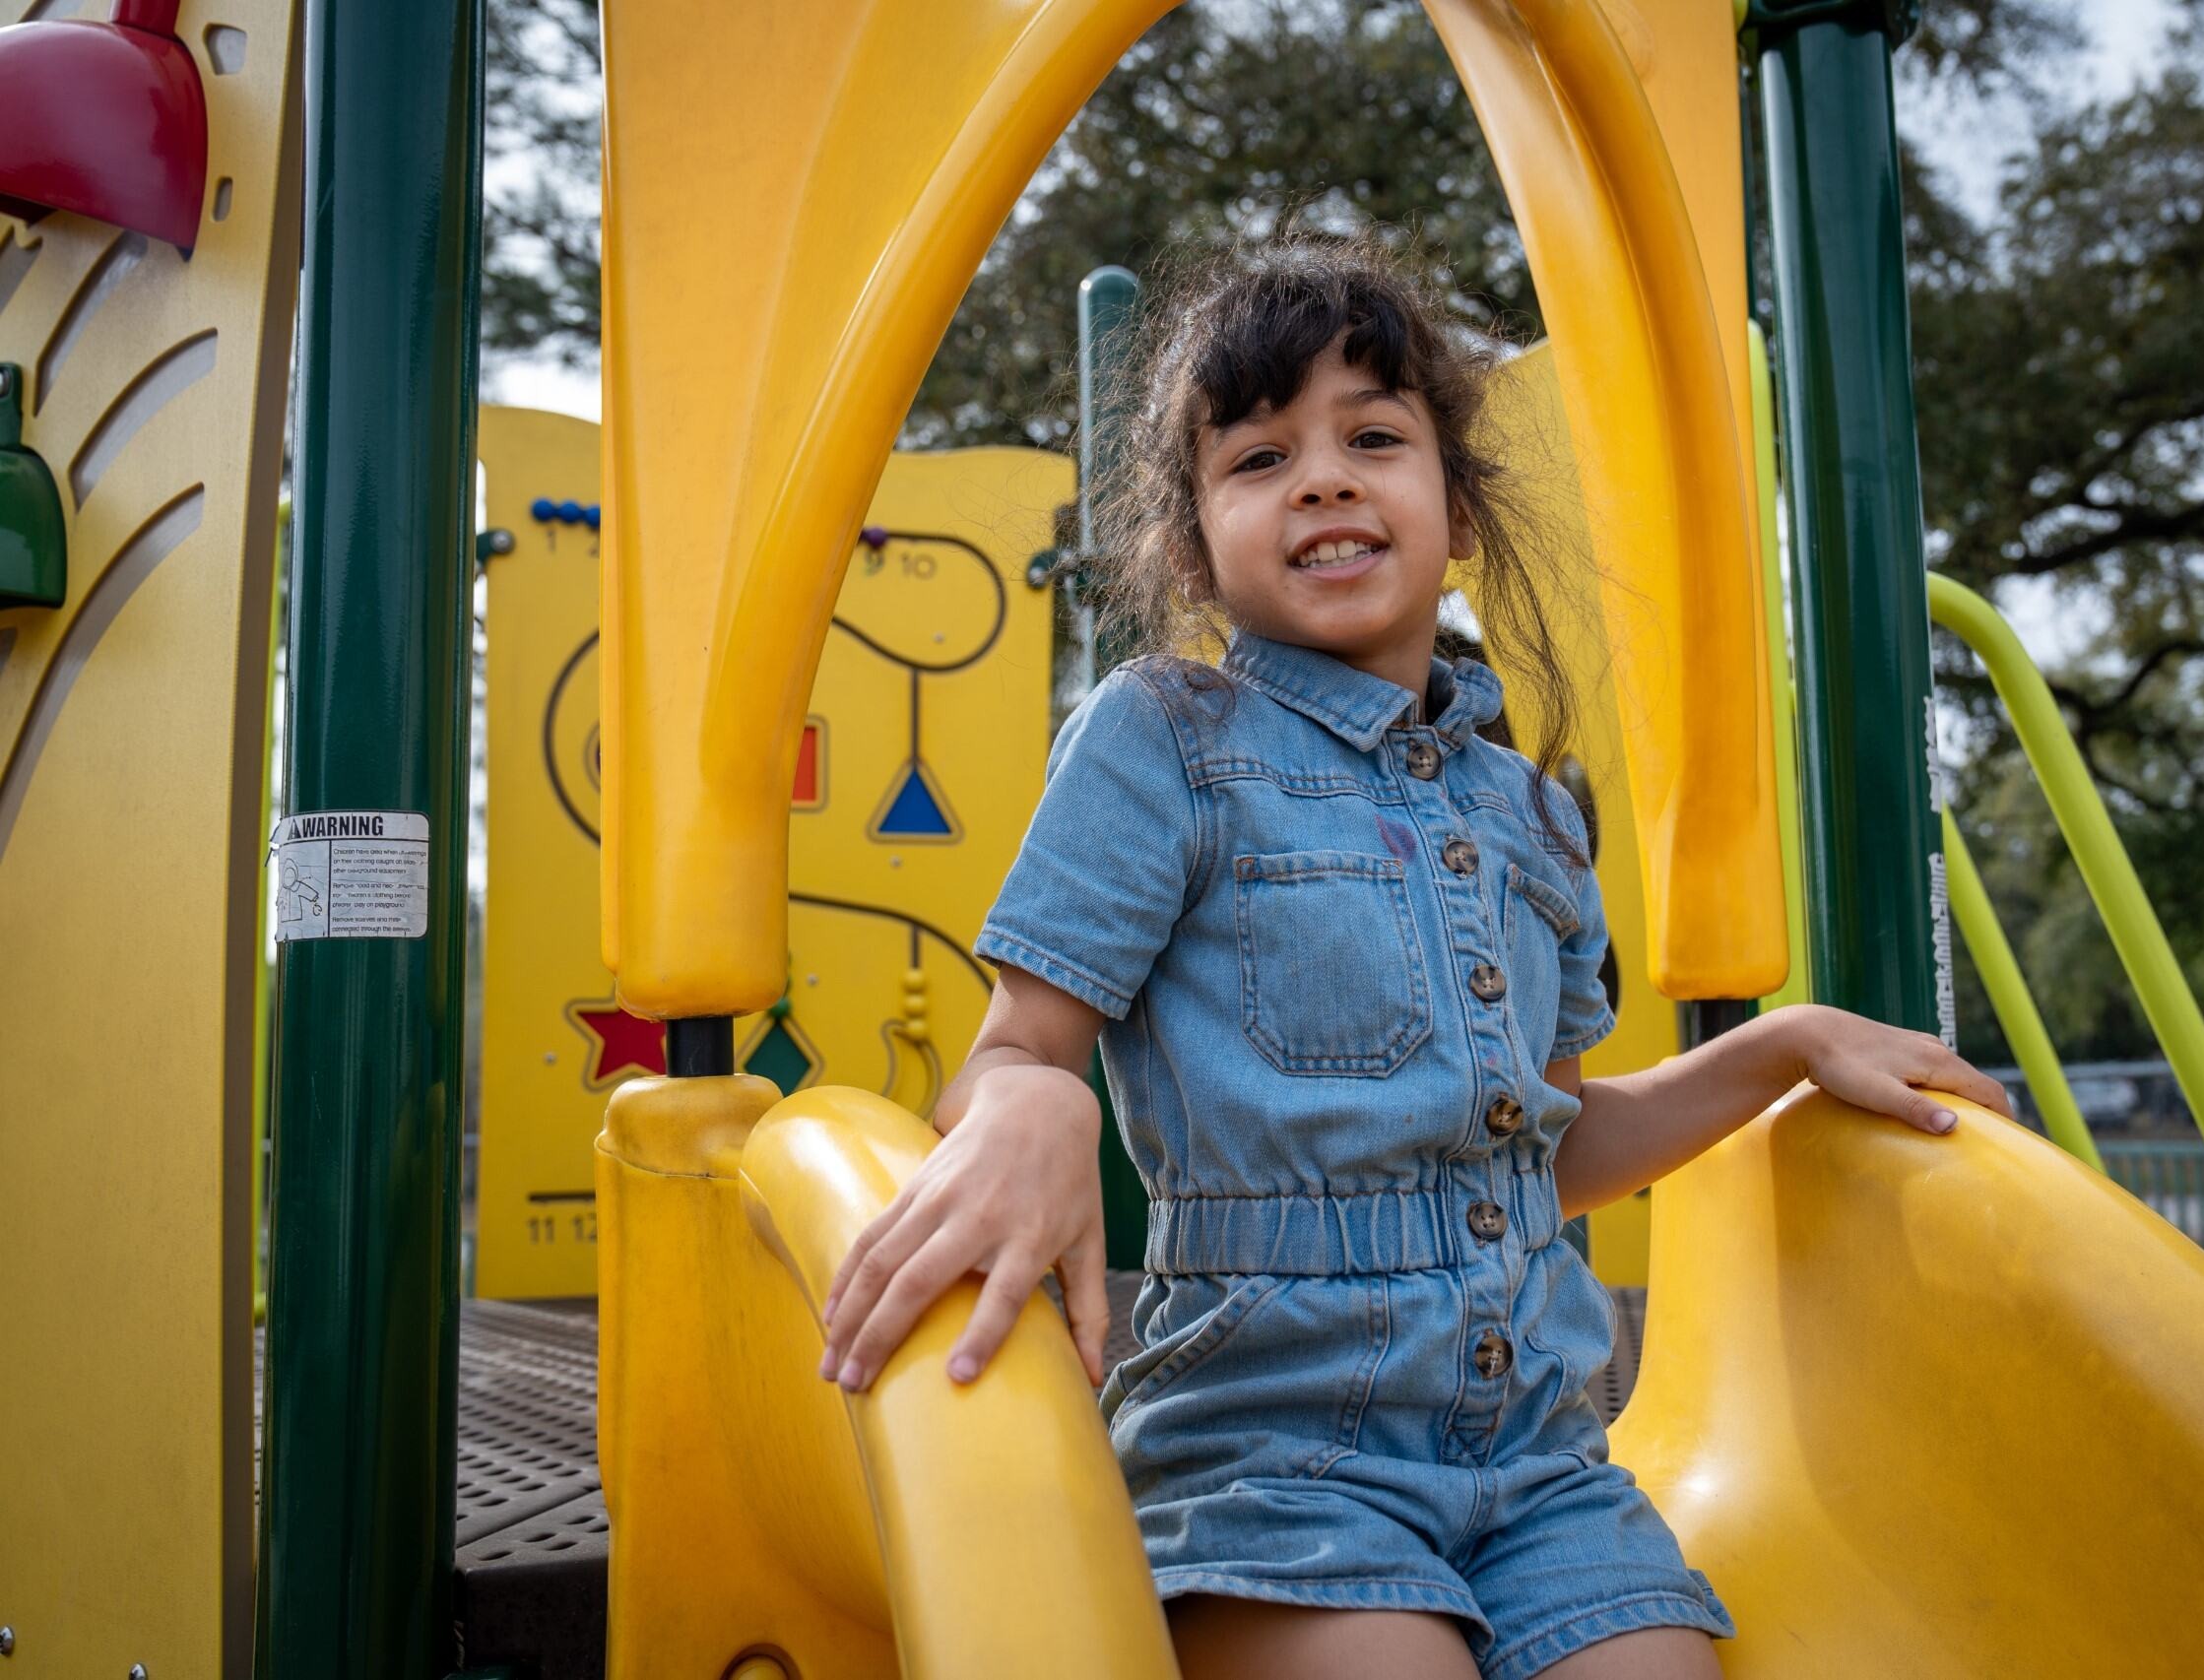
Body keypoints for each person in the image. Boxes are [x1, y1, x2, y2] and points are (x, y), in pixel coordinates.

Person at [818, 230, 2010, 1680]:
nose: (1321, 476)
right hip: (1275, 1453)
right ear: (1196, 544)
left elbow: (1551, 1151)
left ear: (1455, 507)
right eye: (1259, 457)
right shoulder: (1166, 740)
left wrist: (1778, 1047)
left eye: (1373, 437)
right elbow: (1018, 1051)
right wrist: (1029, 1099)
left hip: (1542, 1463)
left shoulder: (1531, 809)